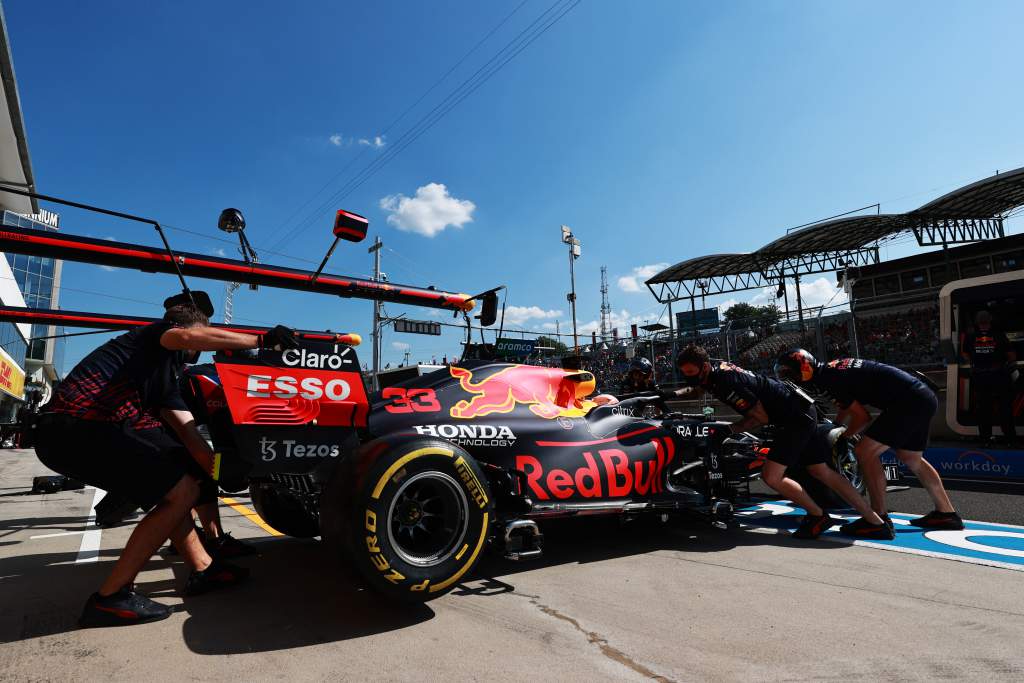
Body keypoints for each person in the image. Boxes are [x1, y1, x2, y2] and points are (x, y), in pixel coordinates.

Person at [34, 290, 299, 626]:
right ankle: (110, 597)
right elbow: (188, 335)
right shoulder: (154, 335)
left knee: (180, 484)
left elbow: (189, 435)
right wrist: (261, 339)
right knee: (180, 492)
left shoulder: (165, 378)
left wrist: (220, 473)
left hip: (78, 434)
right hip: (75, 428)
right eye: (203, 336)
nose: (198, 346)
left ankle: (203, 568)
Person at [670, 345, 889, 540]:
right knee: (821, 471)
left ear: (705, 366)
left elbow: (760, 418)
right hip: (802, 410)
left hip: (794, 418)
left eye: (690, 372)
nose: (688, 376)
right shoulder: (715, 369)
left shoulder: (727, 382)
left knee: (771, 476)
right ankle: (876, 522)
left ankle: (818, 516)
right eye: (684, 373)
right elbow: (699, 388)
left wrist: (730, 429)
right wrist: (669, 394)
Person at [775, 348, 963, 533]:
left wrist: (843, 436)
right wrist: (837, 425)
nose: (790, 379)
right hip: (922, 397)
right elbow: (847, 404)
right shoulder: (830, 370)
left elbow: (862, 418)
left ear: (802, 369)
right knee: (912, 458)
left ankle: (878, 518)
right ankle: (946, 513)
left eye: (790, 374)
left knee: (864, 452)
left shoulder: (828, 379)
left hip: (907, 402)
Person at [962, 311, 1017, 446]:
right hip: (999, 375)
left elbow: (964, 353)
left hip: (981, 377)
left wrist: (974, 363)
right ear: (990, 320)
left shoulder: (970, 336)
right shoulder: (999, 335)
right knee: (1005, 408)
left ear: (977, 322)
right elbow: (1011, 355)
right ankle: (1010, 440)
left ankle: (985, 439)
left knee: (984, 410)